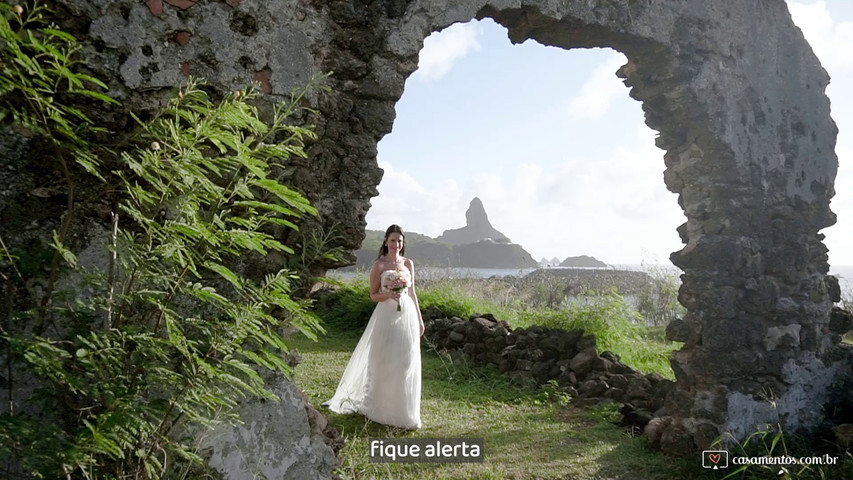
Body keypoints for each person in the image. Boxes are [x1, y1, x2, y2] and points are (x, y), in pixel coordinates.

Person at [323, 224, 425, 429]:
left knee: (405, 360)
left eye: (400, 241)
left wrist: (420, 319)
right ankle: (380, 409)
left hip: (407, 315)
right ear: (386, 242)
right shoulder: (379, 265)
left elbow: (412, 293)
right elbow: (373, 295)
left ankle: (404, 412)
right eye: (393, 240)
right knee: (383, 358)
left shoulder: (408, 264)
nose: (397, 244)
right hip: (386, 315)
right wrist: (387, 294)